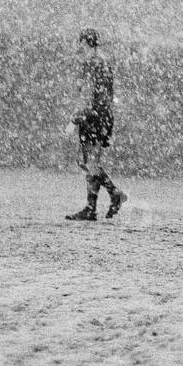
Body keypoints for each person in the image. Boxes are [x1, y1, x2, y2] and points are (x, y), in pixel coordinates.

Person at [66, 28, 127, 221]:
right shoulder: (102, 61)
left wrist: (75, 118)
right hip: (102, 116)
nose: (79, 46)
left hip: (94, 116)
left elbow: (90, 95)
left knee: (87, 162)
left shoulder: (92, 63)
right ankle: (94, 206)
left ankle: (111, 195)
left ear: (86, 43)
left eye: (81, 42)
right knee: (90, 162)